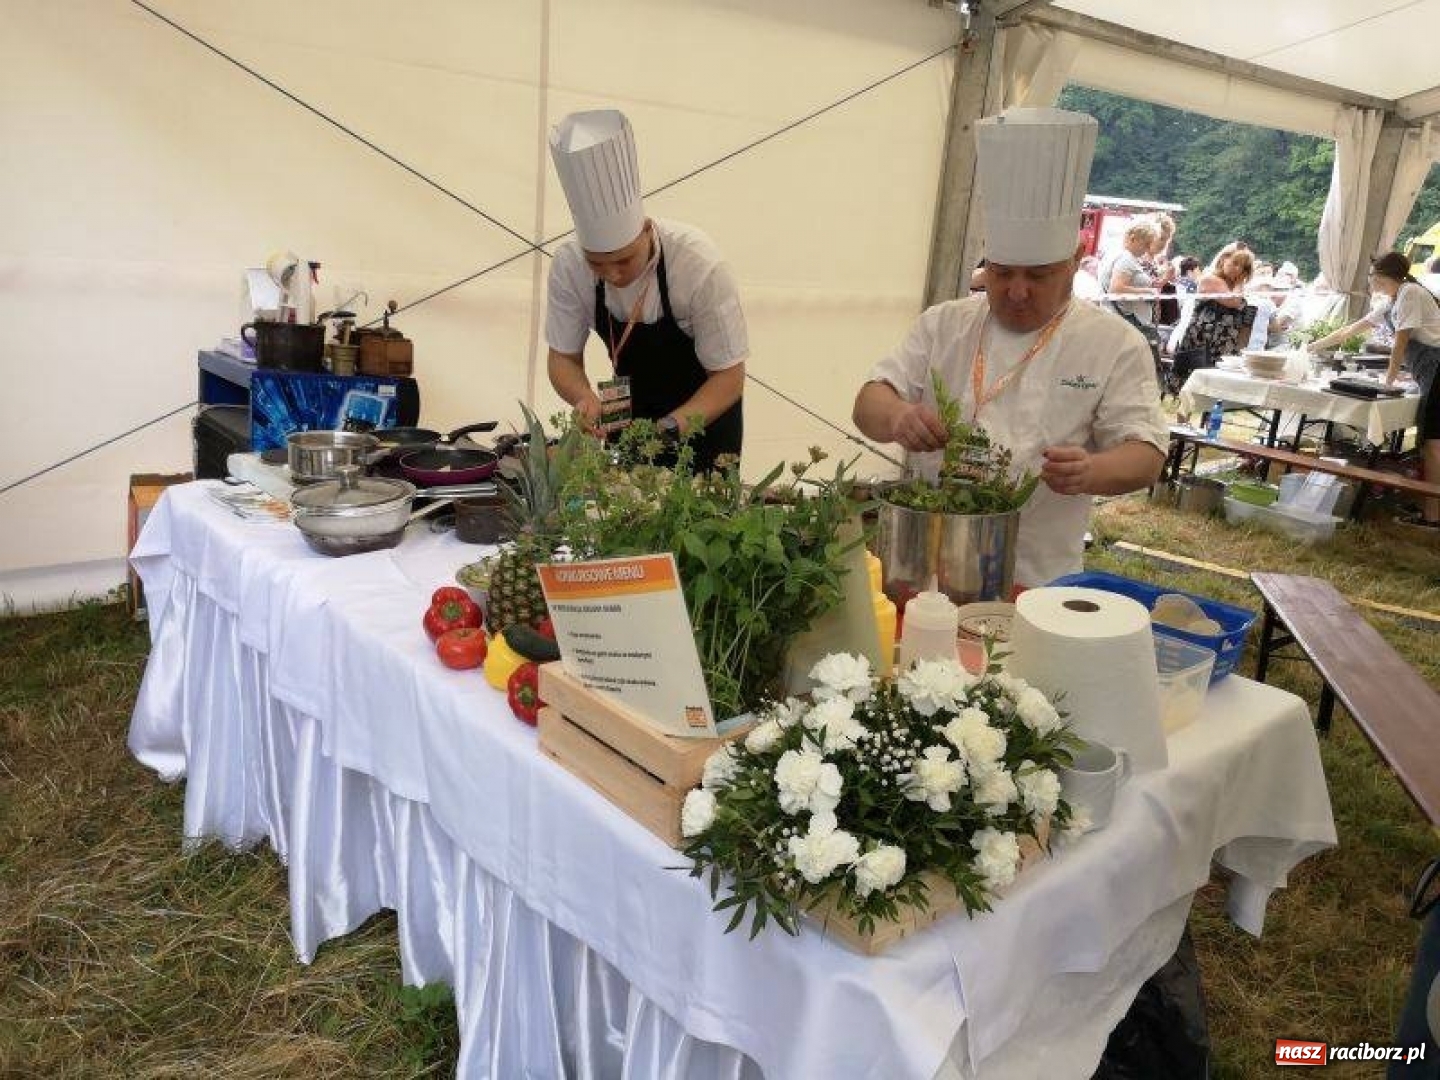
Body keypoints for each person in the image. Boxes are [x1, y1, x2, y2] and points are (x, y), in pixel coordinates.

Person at [853, 107, 1167, 588]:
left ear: (1075, 260)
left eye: (1038, 276)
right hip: (923, 571)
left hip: (1035, 577)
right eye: (1001, 273)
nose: (1017, 292)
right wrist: (897, 416)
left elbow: (1146, 456)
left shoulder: (1113, 344)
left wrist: (1092, 469)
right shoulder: (946, 323)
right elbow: (868, 403)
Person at [545, 109, 746, 471]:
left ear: (646, 230)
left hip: (705, 422)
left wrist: (665, 432)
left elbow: (729, 378)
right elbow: (562, 357)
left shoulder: (697, 264)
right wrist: (584, 397)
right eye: (597, 263)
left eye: (623, 260)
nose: (612, 274)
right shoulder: (570, 264)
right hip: (627, 417)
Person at [1306, 252, 1440, 527]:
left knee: (1433, 443)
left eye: (1371, 275)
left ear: (1381, 275)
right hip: (1428, 370)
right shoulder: (1392, 301)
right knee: (1430, 442)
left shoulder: (1410, 293)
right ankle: (1429, 508)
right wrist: (1310, 347)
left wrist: (1387, 383)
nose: (1369, 280)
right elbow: (1349, 331)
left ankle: (1433, 516)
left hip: (1437, 369)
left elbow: (1401, 343)